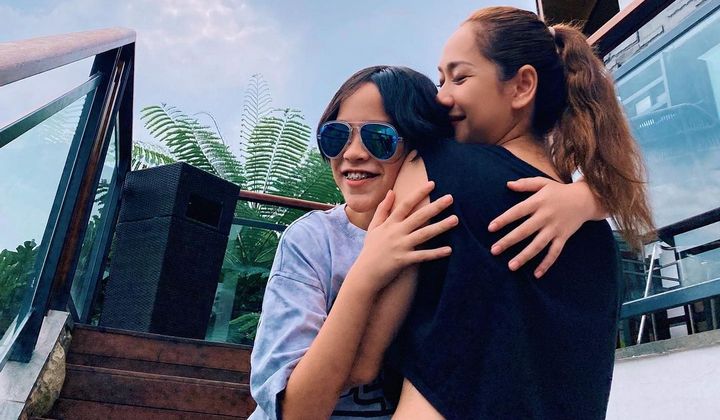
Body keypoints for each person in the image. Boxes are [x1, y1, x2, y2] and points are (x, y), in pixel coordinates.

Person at [249, 65, 607, 419]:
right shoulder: (311, 241)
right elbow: (296, 413)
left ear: (423, 148)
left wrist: (584, 197)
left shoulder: (456, 234)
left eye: (379, 138)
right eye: (335, 136)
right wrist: (366, 274)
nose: (353, 153)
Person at [384, 7, 655, 419]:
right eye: (441, 80)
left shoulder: (434, 166)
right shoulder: (598, 234)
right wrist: (590, 197)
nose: (441, 96)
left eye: (459, 77)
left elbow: (368, 350)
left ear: (522, 85)